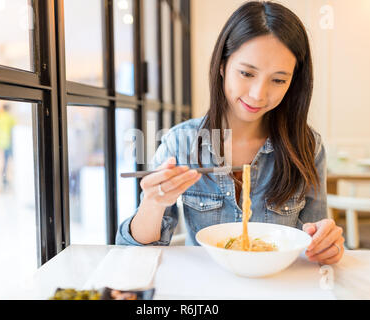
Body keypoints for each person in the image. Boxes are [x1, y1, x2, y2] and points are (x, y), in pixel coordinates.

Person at [116, 1, 344, 265]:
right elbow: (134, 251)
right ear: (222, 65)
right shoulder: (181, 142)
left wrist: (327, 246)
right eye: (247, 73)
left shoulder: (307, 145)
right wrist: (153, 203)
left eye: (279, 80)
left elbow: (314, 243)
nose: (259, 94)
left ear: (294, 82)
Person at [0, 104, 16, 186]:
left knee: (5, 160)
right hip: (8, 142)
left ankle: (3, 177)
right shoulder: (9, 117)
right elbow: (15, 127)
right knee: (10, 160)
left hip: (0, 141)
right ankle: (5, 177)